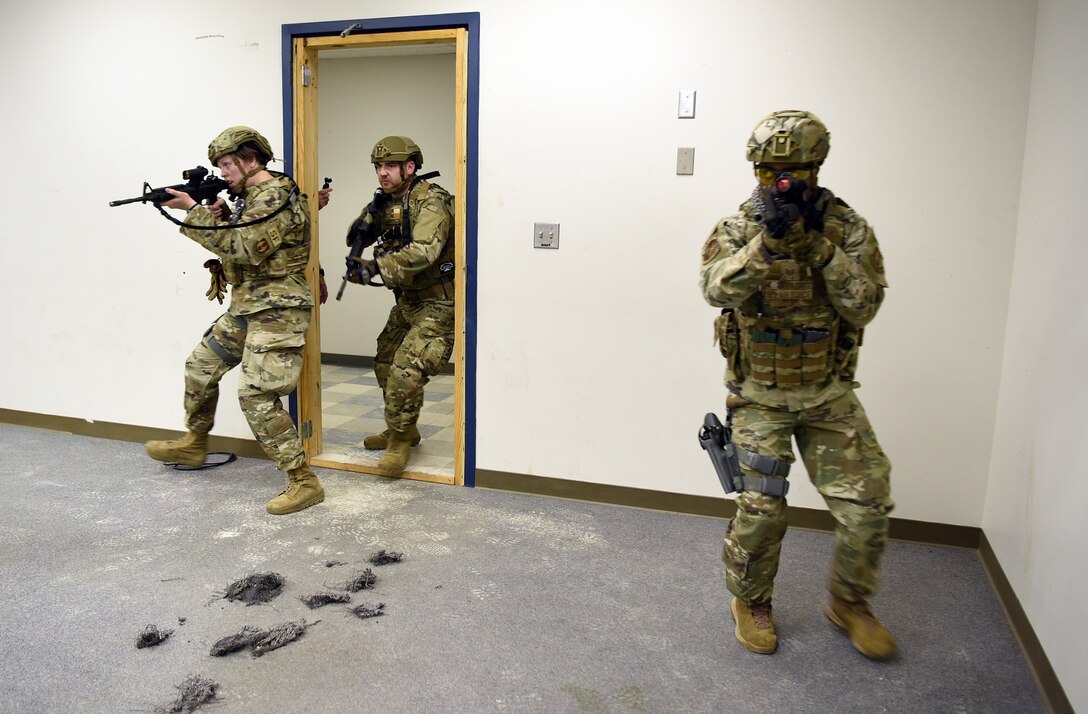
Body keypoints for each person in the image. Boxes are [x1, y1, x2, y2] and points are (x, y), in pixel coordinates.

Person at [698, 110, 895, 659]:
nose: (781, 183)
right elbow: (715, 289)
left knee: (867, 507)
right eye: (768, 173)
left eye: (793, 172)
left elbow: (866, 302)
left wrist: (817, 251)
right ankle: (751, 600)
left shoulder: (847, 229)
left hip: (827, 392)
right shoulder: (740, 227)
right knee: (762, 509)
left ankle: (850, 603)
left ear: (816, 168)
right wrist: (769, 249)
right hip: (760, 393)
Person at [143, 125, 325, 516]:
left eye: (228, 164)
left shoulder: (274, 195)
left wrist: (192, 213)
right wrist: (222, 215)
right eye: (221, 166)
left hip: (278, 309)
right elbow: (242, 234)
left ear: (251, 160)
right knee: (200, 366)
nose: (223, 173)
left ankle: (303, 481)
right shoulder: (252, 196)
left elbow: (245, 247)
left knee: (257, 394)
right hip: (248, 305)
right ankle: (195, 443)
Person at [344, 135, 455, 475]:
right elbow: (356, 235)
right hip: (407, 300)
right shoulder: (388, 202)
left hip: (438, 303)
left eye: (390, 166)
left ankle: (399, 442)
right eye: (378, 167)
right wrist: (364, 224)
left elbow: (424, 252)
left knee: (405, 372)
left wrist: (376, 267)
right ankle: (405, 428)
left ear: (410, 167)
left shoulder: (430, 202)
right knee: (384, 359)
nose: (382, 173)